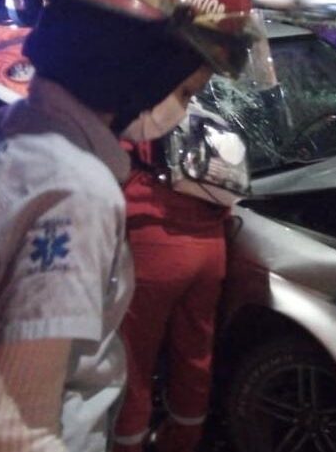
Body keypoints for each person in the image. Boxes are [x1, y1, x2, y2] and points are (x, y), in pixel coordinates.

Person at [0, 0, 259, 451]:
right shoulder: (75, 191)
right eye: (186, 89)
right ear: (144, 70)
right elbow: (11, 432)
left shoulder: (13, 132)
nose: (182, 109)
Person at [112, 142, 232, 452]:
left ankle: (127, 444)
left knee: (133, 358)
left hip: (157, 241)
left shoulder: (144, 106)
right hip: (211, 242)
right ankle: (182, 440)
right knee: (195, 352)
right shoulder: (206, 103)